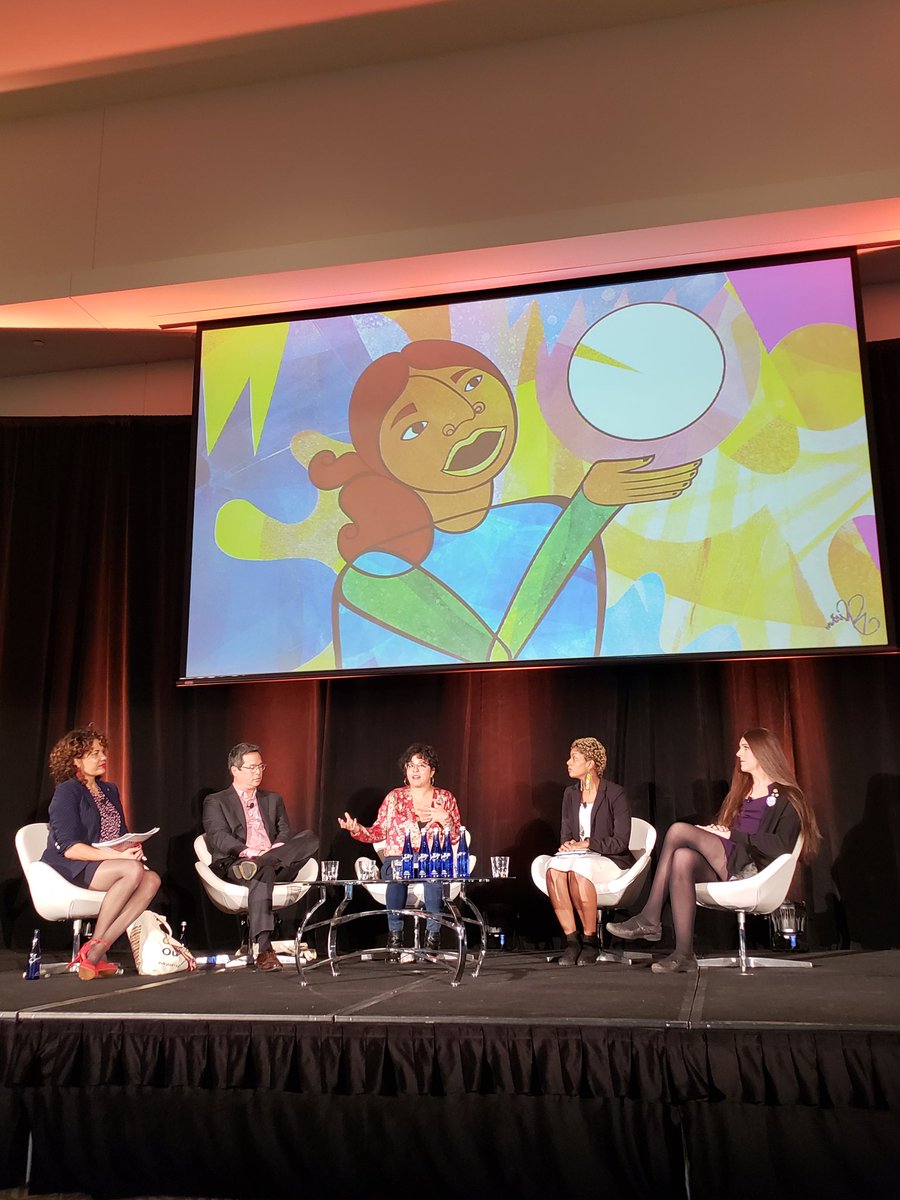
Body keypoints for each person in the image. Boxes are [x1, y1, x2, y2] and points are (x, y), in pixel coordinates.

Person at [309, 340, 698, 668]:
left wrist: (583, 514)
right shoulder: (372, 575)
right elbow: (497, 652)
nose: (462, 417)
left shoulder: (546, 519)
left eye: (473, 383)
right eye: (415, 427)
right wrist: (587, 512)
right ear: (382, 461)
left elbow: (574, 646)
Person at [607, 727, 821, 972]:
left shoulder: (787, 797)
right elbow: (732, 836)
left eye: (745, 748)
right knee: (682, 857)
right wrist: (717, 832)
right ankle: (684, 954)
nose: (739, 753)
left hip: (754, 868)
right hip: (732, 859)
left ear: (764, 752)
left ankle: (650, 917)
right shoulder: (742, 793)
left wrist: (731, 834)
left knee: (678, 831)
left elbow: (782, 845)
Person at [41, 724, 161, 981]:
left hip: (106, 864)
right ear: (76, 759)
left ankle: (98, 947)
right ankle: (95, 950)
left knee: (152, 879)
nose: (103, 758)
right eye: (94, 753)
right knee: (132, 870)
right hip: (70, 867)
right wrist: (120, 857)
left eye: (102, 752)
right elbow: (71, 848)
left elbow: (119, 833)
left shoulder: (110, 790)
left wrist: (131, 847)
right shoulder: (67, 791)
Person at [203, 743, 319, 973]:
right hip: (238, 862)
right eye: (252, 767)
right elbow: (218, 836)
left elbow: (285, 830)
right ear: (235, 770)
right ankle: (265, 949)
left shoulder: (272, 798)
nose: (258, 772)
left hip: (274, 860)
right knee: (262, 872)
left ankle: (263, 862)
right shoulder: (216, 801)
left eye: (261, 766)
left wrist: (273, 850)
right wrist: (248, 852)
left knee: (310, 838)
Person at [338, 742, 461, 953]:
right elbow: (378, 832)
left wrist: (446, 820)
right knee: (397, 872)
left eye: (421, 765)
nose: (415, 770)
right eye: (410, 765)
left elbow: (456, 838)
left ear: (432, 771)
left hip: (432, 861)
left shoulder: (445, 798)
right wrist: (356, 828)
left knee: (433, 875)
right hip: (398, 860)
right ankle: (395, 939)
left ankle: (432, 939)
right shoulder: (395, 798)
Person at [533, 738, 634, 966]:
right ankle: (572, 941)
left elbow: (621, 841)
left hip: (610, 859)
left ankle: (590, 941)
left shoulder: (615, 793)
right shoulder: (570, 794)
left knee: (580, 872)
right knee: (553, 870)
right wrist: (568, 846)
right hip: (579, 857)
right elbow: (566, 833)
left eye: (574, 758)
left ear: (590, 764)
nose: (568, 762)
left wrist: (587, 844)